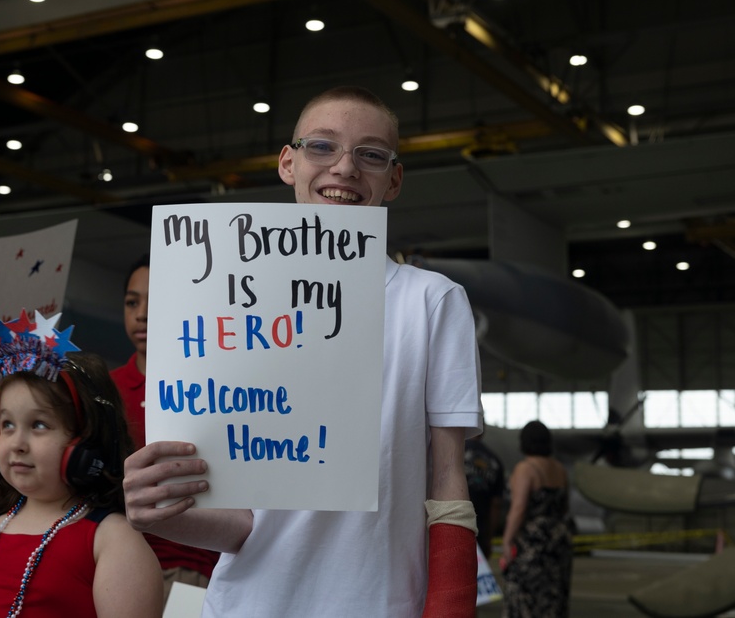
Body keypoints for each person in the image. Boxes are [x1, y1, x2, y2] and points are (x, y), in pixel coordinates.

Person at [122, 86, 483, 617]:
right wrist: (159, 513)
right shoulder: (224, 301)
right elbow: (248, 523)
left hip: (382, 603)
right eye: (322, 146)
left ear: (394, 178)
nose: (344, 167)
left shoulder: (430, 301)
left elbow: (448, 475)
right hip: (249, 602)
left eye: (371, 154)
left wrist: (451, 602)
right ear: (288, 163)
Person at [0, 313, 161, 618]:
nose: (17, 442)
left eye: (39, 424)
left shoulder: (113, 539)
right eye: (7, 424)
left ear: (86, 441)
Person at [110, 254, 220, 600]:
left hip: (195, 566)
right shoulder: (104, 391)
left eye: (156, 301)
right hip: (118, 564)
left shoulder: (214, 386)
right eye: (132, 302)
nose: (141, 313)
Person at [500, 420, 573, 618]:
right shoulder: (560, 469)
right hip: (559, 542)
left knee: (525, 599)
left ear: (524, 442)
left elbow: (519, 507)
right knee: (553, 599)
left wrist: (507, 541)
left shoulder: (525, 469)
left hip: (533, 544)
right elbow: (565, 507)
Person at [465, 428, 505, 558]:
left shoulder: (455, 452)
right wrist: (489, 537)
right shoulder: (495, 461)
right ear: (482, 430)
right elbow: (496, 504)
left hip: (456, 524)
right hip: (481, 529)